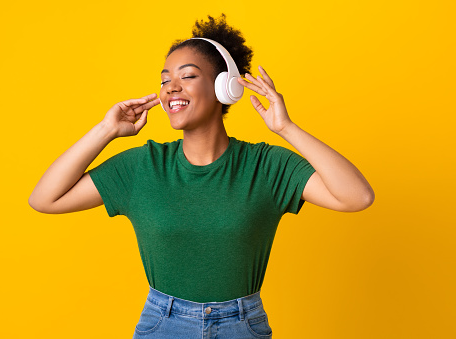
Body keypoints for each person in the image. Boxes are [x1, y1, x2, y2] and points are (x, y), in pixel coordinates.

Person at [29, 14, 374, 339]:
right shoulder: (143, 166)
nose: (170, 88)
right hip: (162, 323)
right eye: (165, 80)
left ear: (226, 87)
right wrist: (105, 130)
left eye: (187, 76)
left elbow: (357, 197)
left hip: (243, 325)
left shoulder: (266, 165)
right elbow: (45, 199)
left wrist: (286, 128)